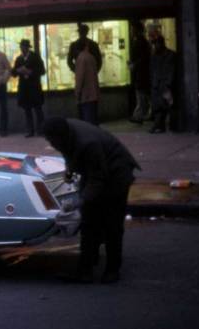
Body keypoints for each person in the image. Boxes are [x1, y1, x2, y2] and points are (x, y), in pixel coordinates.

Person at [42, 117, 140, 284]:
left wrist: (80, 201)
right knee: (89, 221)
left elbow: (97, 179)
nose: (51, 144)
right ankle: (85, 269)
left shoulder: (88, 144)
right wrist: (69, 170)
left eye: (52, 141)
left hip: (117, 174)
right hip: (97, 170)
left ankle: (112, 270)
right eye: (48, 140)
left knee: (112, 224)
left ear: (61, 136)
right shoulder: (66, 131)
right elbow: (68, 152)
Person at [11, 39, 46, 137]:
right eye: (21, 47)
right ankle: (30, 130)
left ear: (27, 48)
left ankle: (41, 130)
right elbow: (13, 73)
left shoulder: (35, 57)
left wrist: (30, 72)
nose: (22, 49)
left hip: (34, 87)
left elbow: (42, 70)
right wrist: (18, 71)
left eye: (23, 47)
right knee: (27, 109)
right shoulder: (19, 59)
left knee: (38, 109)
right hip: (24, 88)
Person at [149, 36, 176, 133]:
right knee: (158, 106)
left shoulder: (170, 55)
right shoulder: (154, 56)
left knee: (167, 106)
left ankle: (165, 125)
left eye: (157, 44)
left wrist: (168, 84)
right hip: (157, 84)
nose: (155, 46)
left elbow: (171, 71)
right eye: (155, 44)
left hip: (165, 84)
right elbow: (152, 71)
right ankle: (160, 126)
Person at [128, 21, 151, 124]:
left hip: (141, 74)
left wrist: (134, 65)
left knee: (141, 96)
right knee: (143, 96)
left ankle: (139, 116)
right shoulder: (140, 41)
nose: (131, 31)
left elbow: (143, 58)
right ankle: (143, 114)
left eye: (132, 29)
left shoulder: (140, 42)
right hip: (141, 74)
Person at [74, 41, 100, 125]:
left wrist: (77, 93)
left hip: (85, 95)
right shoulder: (91, 57)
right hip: (93, 94)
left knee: (87, 121)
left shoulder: (81, 58)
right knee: (93, 120)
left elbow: (80, 78)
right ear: (86, 47)